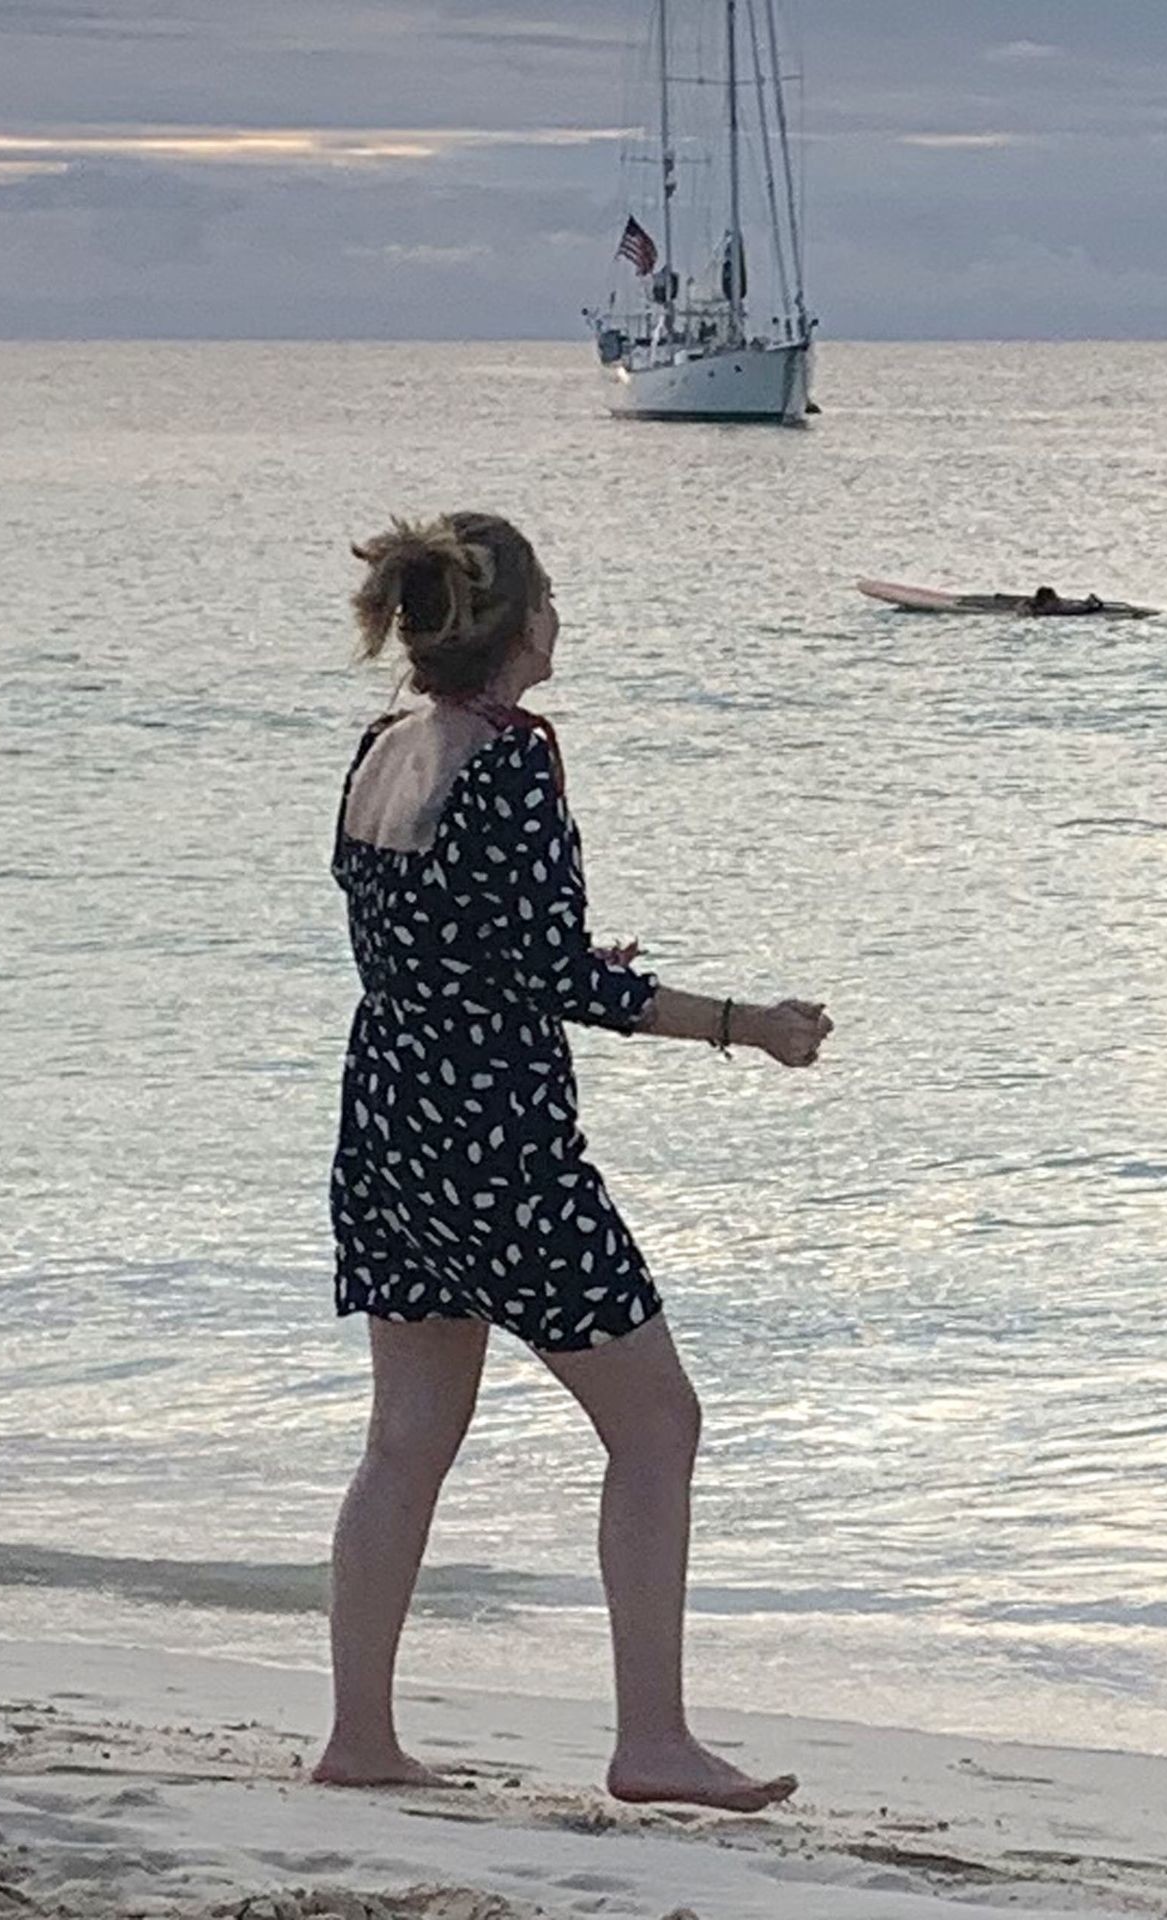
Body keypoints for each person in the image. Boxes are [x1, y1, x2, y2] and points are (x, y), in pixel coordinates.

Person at [313, 511, 832, 1813]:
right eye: (552, 599)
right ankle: (652, 1740)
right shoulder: (515, 756)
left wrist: (548, 965)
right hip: (499, 1139)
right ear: (515, 623)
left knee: (405, 1440)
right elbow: (553, 977)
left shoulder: (381, 747)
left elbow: (422, 939)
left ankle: (360, 1736)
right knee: (658, 1423)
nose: (562, 622)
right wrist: (746, 1024)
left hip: (387, 1122)